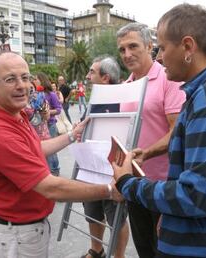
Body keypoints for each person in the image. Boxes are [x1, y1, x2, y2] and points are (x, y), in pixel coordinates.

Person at [112, 4, 206, 258]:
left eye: (162, 47)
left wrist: (128, 183)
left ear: (187, 46)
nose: (160, 57)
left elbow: (196, 195)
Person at [0, 51, 122, 258]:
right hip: (16, 236)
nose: (22, 85)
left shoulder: (14, 113)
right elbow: (51, 187)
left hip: (23, 231)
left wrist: (71, 135)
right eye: (10, 79)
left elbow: (34, 150)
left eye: (25, 77)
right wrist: (109, 190)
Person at [116, 22, 185, 258]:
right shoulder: (126, 86)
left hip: (163, 186)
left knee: (164, 251)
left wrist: (146, 153)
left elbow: (177, 131)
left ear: (149, 46)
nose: (127, 54)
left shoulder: (169, 78)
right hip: (134, 184)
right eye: (122, 49)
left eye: (133, 46)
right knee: (144, 248)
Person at [81, 55, 129, 258]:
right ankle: (96, 250)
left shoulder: (124, 101)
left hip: (112, 169)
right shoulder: (94, 100)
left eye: (92, 71)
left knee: (116, 217)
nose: (87, 75)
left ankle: (118, 257)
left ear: (106, 77)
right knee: (92, 212)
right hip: (90, 166)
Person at [34, 72, 62, 176]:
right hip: (39, 126)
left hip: (50, 124)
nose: (34, 81)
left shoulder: (51, 94)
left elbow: (59, 109)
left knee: (52, 149)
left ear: (42, 80)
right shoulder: (34, 94)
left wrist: (48, 112)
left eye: (36, 79)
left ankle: (54, 170)